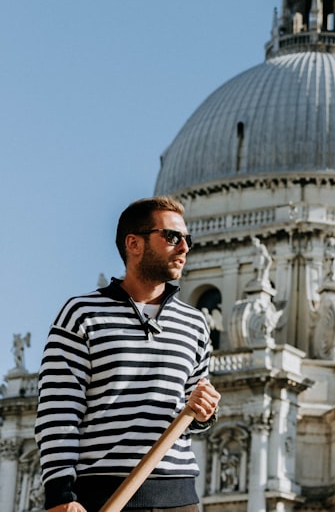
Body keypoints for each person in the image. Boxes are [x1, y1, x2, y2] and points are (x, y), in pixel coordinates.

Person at [35, 196, 221, 512]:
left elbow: (191, 413)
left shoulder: (196, 323)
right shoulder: (81, 314)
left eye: (187, 239)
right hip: (101, 496)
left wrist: (205, 412)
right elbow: (59, 410)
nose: (184, 248)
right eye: (172, 237)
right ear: (133, 244)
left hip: (180, 499)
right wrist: (60, 495)